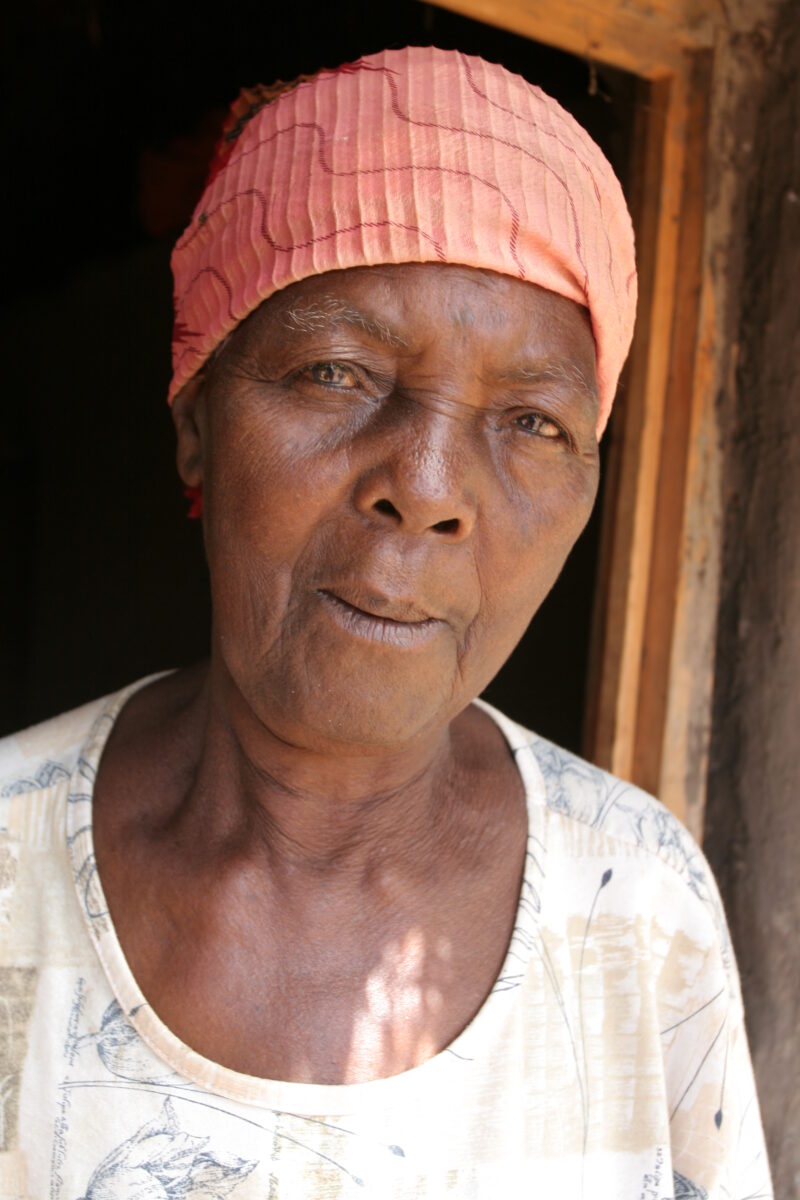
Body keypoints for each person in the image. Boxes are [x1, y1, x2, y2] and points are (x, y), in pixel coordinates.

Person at [0, 46, 771, 1200]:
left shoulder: (638, 904)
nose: (426, 485)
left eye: (529, 422)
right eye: (334, 372)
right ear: (195, 422)